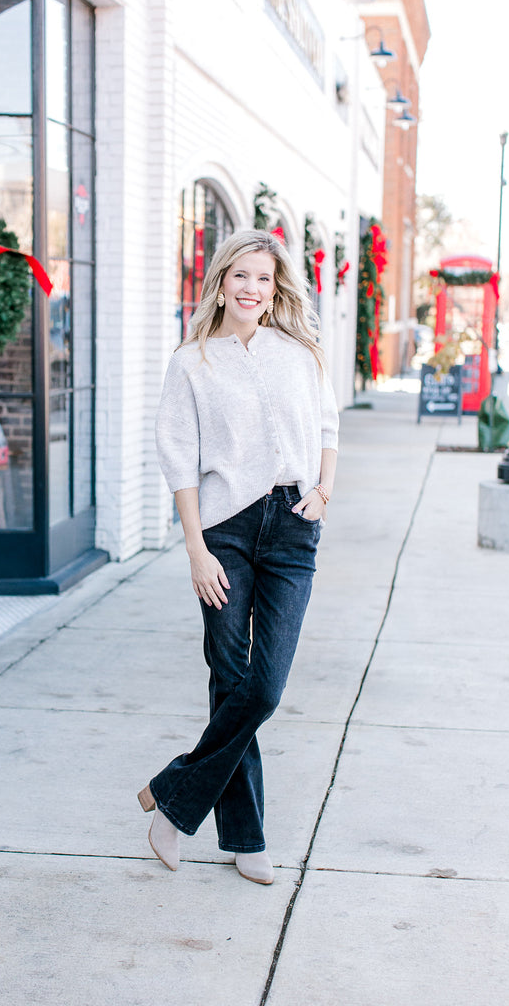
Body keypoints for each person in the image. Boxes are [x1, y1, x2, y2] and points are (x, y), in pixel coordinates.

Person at [138, 229, 339, 885]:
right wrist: (195, 549)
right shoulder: (192, 361)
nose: (253, 289)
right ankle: (245, 838)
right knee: (231, 680)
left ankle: (173, 792)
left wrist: (324, 490)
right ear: (221, 282)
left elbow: (328, 429)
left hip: (292, 529)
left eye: (264, 278)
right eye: (241, 276)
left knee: (265, 686)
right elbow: (179, 464)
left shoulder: (300, 353)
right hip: (223, 529)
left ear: (276, 287)